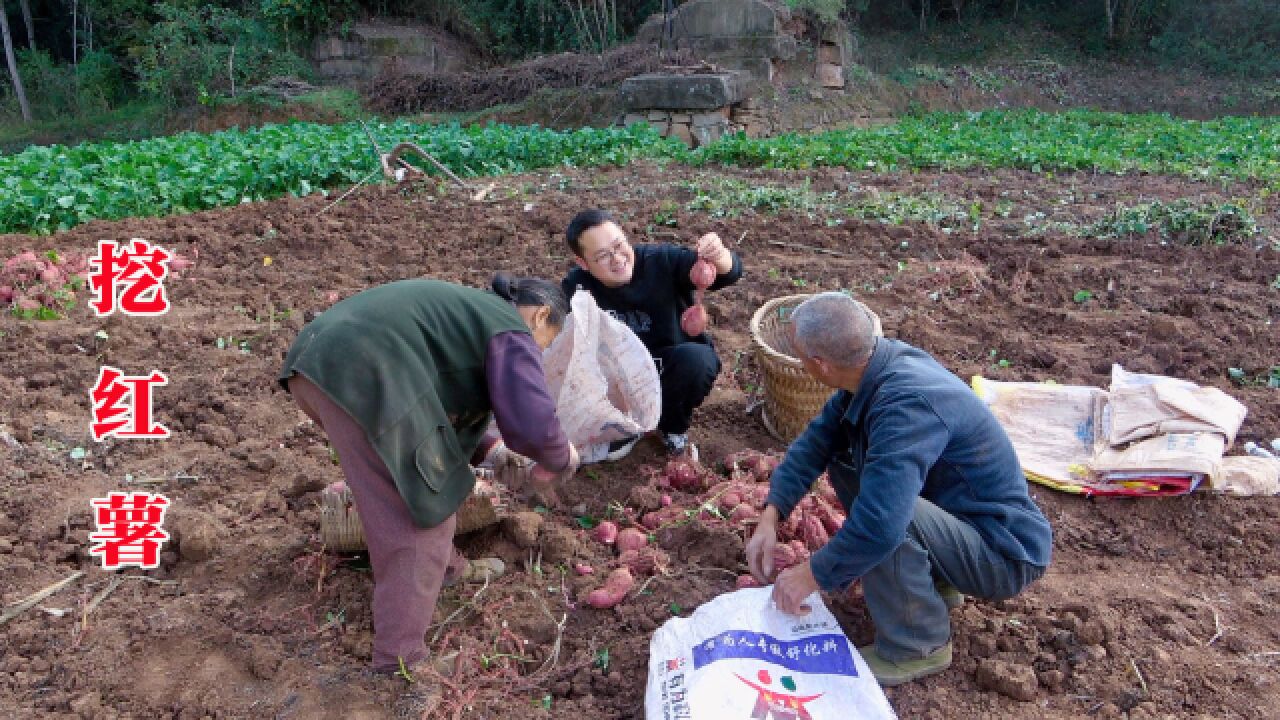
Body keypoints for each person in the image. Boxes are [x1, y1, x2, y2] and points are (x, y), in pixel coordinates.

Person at [744, 292, 1052, 687]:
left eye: (800, 353)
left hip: (1004, 553)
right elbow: (817, 442)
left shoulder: (906, 405)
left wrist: (812, 574)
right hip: (968, 524)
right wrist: (772, 513)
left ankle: (918, 644)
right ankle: (931, 583)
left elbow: (881, 525)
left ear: (820, 365)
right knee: (848, 461)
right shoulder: (873, 369)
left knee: (889, 516)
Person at [278, 274, 580, 678]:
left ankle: (446, 570)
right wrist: (560, 457)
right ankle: (399, 661)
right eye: (546, 341)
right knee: (420, 512)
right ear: (542, 316)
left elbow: (436, 410)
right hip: (366, 369)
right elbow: (531, 423)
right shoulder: (510, 328)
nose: (539, 351)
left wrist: (490, 449)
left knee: (408, 482)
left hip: (318, 366)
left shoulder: (468, 316)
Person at [560, 208, 742, 461]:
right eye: (602, 255)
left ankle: (670, 426)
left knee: (697, 360)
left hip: (665, 369)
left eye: (619, 245)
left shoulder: (661, 260)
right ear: (583, 263)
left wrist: (719, 255)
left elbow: (728, 273)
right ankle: (622, 428)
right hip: (616, 382)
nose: (617, 258)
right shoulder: (577, 287)